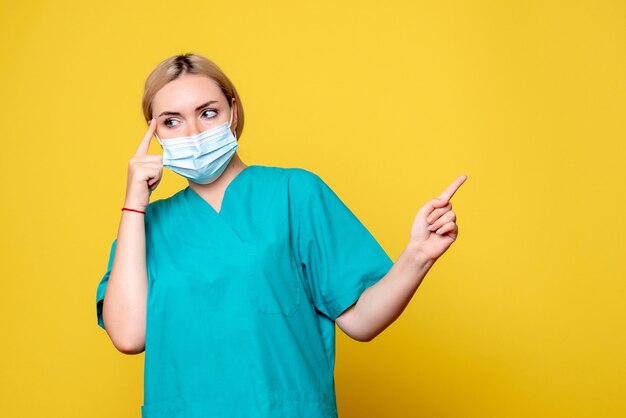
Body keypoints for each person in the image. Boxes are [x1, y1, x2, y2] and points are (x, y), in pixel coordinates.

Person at [95, 53, 467, 418]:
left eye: (208, 113)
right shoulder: (147, 226)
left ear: (233, 111)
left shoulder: (294, 192)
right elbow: (128, 336)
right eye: (172, 122)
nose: (193, 133)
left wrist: (418, 255)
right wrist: (134, 203)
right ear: (154, 131)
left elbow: (360, 321)